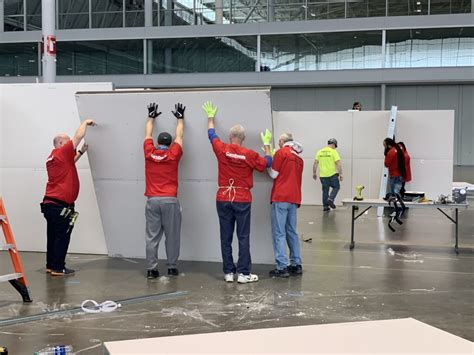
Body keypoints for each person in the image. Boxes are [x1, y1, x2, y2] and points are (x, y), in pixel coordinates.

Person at [203, 101, 272, 284]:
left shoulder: (222, 149)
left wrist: (210, 117)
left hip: (223, 197)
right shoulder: (249, 154)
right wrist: (266, 145)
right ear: (243, 138)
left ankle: (228, 272)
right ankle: (243, 274)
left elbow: (211, 134)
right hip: (242, 198)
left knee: (225, 236)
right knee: (243, 236)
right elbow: (267, 163)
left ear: (230, 136)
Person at [41, 119, 96, 276]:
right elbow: (78, 136)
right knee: (62, 237)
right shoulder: (61, 152)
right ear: (60, 144)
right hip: (60, 206)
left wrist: (81, 152)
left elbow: (70, 162)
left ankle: (51, 265)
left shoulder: (54, 157)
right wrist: (85, 122)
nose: (71, 145)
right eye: (66, 143)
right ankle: (59, 268)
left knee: (52, 236)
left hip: (50, 204)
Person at [144, 102, 184, 279]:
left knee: (152, 236)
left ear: (158, 142)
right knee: (172, 235)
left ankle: (152, 269)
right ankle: (172, 267)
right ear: (169, 144)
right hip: (170, 200)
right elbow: (180, 136)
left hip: (152, 200)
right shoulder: (173, 154)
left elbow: (147, 133)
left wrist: (151, 116)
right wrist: (180, 119)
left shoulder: (149, 152)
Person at [267, 133, 304, 278]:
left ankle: (282, 266)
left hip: (281, 197)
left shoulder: (282, 153)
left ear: (282, 142)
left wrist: (268, 156)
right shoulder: (299, 159)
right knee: (291, 232)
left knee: (279, 233)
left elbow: (273, 175)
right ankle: (296, 264)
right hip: (294, 198)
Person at [313, 138, 343, 212]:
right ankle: (331, 199)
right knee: (336, 187)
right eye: (335, 146)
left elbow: (315, 163)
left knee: (325, 191)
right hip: (332, 175)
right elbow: (338, 163)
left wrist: (314, 173)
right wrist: (341, 174)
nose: (334, 147)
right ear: (333, 144)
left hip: (323, 176)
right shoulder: (333, 152)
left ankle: (325, 207)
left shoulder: (319, 152)